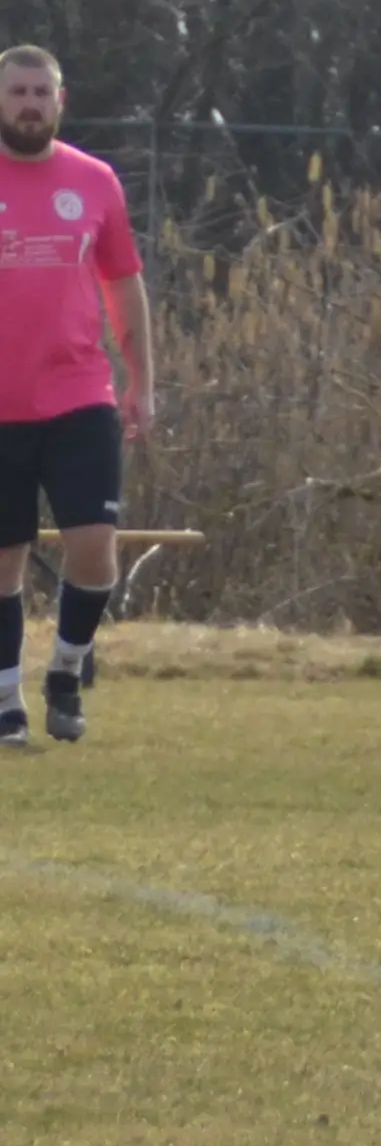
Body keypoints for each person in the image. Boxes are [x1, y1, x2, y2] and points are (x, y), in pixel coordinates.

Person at [0, 46, 148, 750]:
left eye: (40, 92)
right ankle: (6, 698)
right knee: (5, 557)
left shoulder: (94, 182)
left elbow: (122, 283)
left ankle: (65, 670)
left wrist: (142, 380)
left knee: (95, 548)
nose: (29, 103)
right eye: (17, 91)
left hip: (79, 395)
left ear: (61, 101)